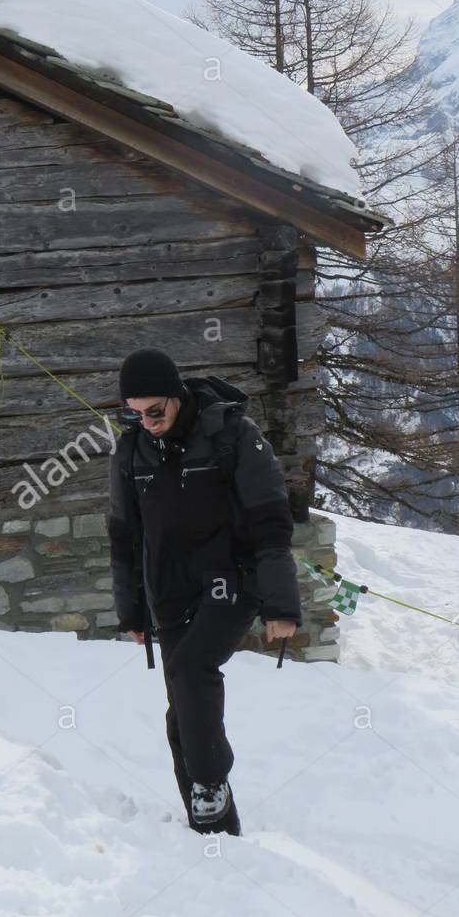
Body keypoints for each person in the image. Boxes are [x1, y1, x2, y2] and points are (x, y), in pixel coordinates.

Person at [107, 347, 301, 836]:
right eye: (134, 413)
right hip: (169, 591)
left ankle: (211, 784)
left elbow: (271, 523)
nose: (147, 422)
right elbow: (122, 537)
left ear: (177, 397)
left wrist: (280, 602)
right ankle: (212, 831)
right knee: (181, 708)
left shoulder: (232, 436)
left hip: (232, 582)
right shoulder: (131, 453)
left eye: (155, 410)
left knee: (193, 670)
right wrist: (131, 609)